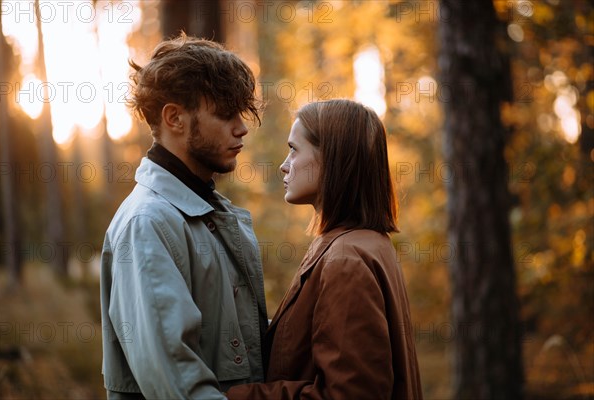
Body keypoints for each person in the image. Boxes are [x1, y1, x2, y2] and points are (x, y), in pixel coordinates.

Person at [100, 33, 268, 399]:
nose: (241, 128)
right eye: (225, 114)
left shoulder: (208, 213)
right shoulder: (148, 224)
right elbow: (177, 381)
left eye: (241, 113)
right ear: (174, 118)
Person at [227, 99, 423, 400]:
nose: (284, 164)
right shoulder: (364, 243)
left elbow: (348, 394)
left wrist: (235, 396)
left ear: (332, 158)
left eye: (294, 149)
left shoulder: (346, 260)